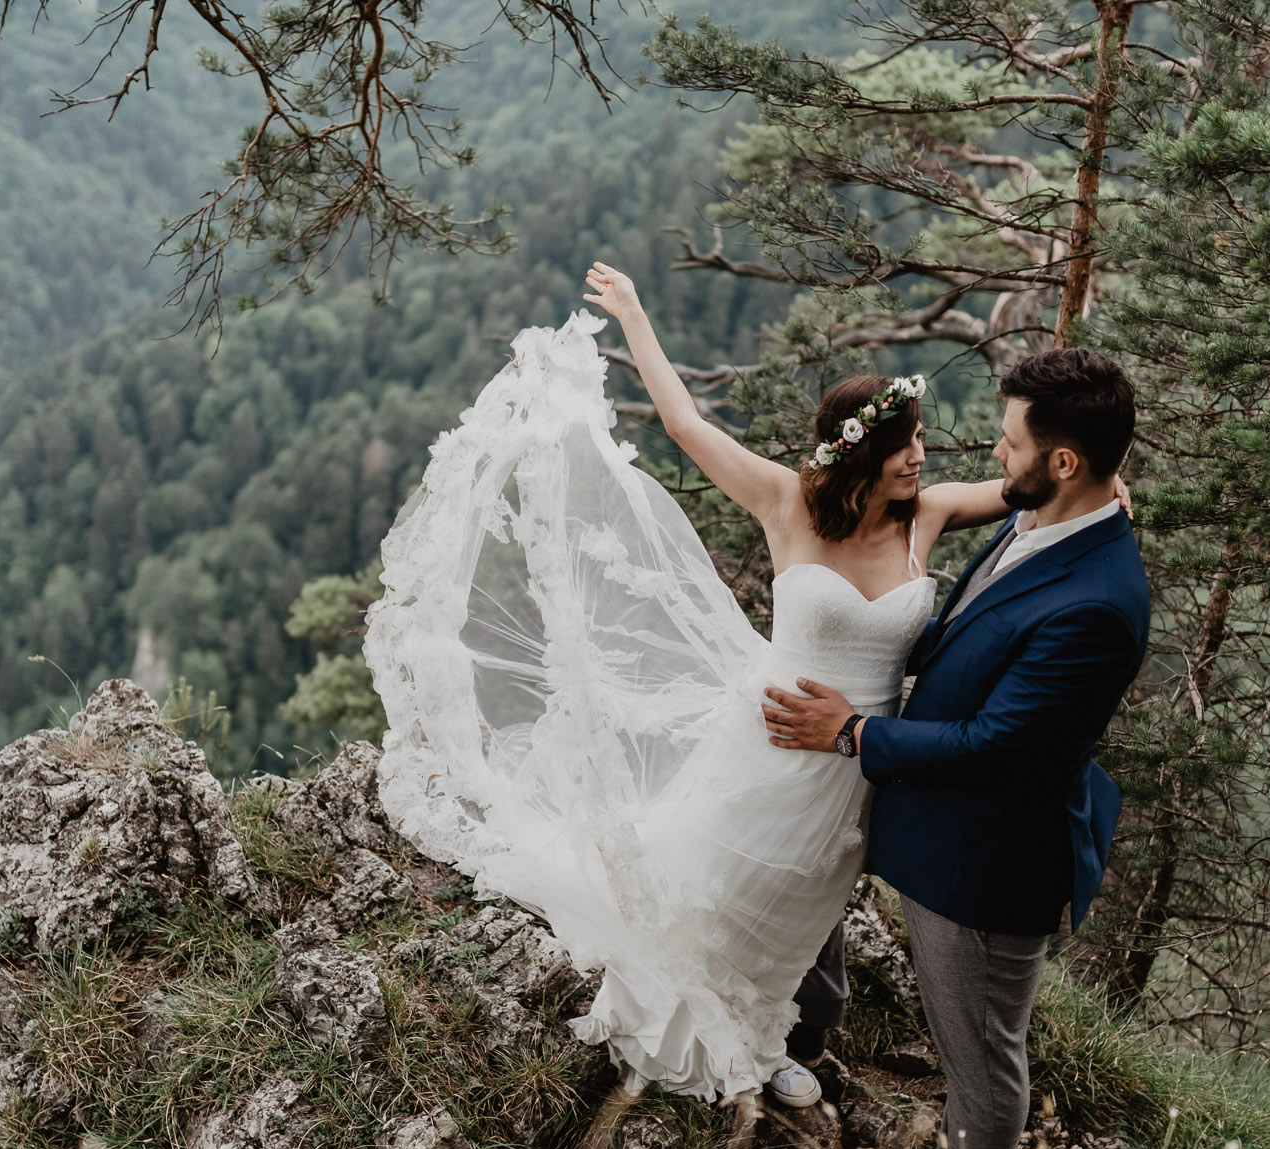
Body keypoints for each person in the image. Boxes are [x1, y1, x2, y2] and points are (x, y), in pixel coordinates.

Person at [361, 261, 1124, 1106]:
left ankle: (760, 1038)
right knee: (728, 886)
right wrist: (635, 315)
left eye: (921, 445)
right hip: (770, 744)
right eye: (906, 446)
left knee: (801, 910)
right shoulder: (787, 503)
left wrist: (1105, 483)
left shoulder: (931, 514)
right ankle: (692, 1030)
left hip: (860, 761)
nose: (922, 458)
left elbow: (1037, 493)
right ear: (862, 454)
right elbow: (686, 424)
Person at [762, 345, 1151, 1149]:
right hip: (930, 824)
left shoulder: (1099, 601)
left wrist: (853, 730)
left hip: (987, 865)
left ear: (1063, 461)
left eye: (1010, 441)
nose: (993, 452)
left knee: (980, 1058)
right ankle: (797, 1030)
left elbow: (996, 748)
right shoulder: (1045, 518)